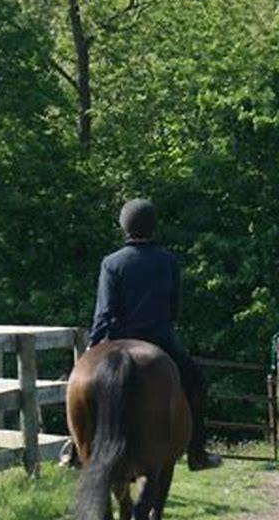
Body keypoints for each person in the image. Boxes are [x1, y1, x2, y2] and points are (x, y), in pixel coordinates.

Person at [60, 197, 222, 471]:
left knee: (78, 385)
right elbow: (174, 309)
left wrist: (93, 346)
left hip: (115, 339)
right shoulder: (168, 261)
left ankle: (77, 448)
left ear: (125, 227)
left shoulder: (111, 263)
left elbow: (105, 312)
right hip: (161, 341)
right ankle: (197, 452)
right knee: (195, 383)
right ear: (153, 227)